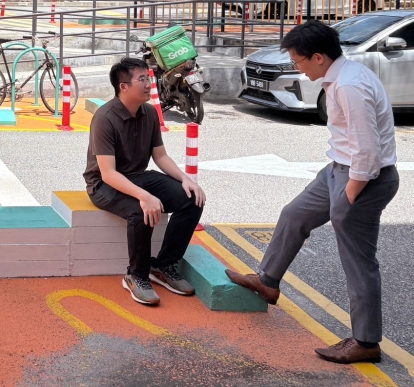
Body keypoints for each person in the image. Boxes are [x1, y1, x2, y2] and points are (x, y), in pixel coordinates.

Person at [226, 21, 398, 364]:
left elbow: (368, 152)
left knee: (358, 262)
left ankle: (366, 341)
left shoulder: (350, 86)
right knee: (294, 214)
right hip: (338, 169)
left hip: (363, 178)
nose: (297, 67)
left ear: (318, 57)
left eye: (298, 61)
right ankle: (267, 281)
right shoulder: (339, 78)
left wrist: (348, 198)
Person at [84, 57, 205, 306]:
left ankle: (162, 266)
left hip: (137, 176)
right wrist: (144, 196)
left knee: (191, 200)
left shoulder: (149, 112)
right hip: (104, 185)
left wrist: (186, 180)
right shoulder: (105, 118)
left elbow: (159, 156)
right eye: (142, 79)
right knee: (140, 211)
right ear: (123, 86)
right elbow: (108, 174)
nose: (149, 83)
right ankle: (136, 276)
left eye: (148, 78)